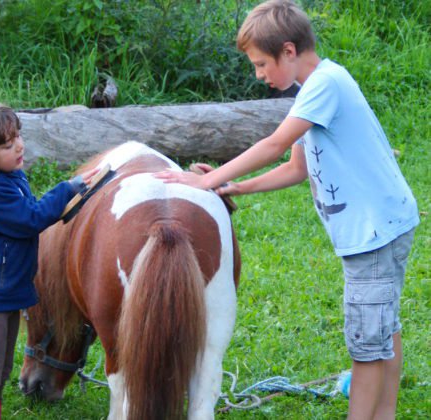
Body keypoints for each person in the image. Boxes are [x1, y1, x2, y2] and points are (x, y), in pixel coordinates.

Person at [154, 1, 419, 419]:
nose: (259, 74)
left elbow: (275, 145)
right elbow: (296, 167)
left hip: (373, 234)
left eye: (261, 64)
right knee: (383, 325)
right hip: (385, 225)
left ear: (289, 51)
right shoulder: (315, 89)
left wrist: (205, 180)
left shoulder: (325, 85)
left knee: (367, 344)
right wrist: (232, 184)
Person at [0, 100, 97, 420]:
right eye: (6, 145)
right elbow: (31, 219)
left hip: (3, 294)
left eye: (17, 138)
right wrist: (67, 189)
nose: (18, 147)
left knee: (0, 372)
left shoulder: (8, 177)